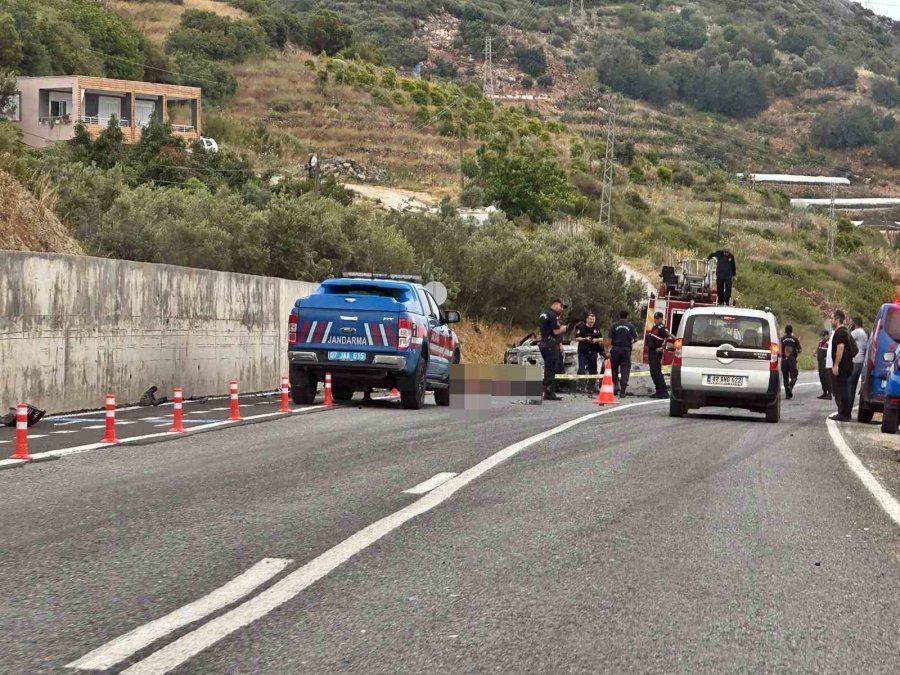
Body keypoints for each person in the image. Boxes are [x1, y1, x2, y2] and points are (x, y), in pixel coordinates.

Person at [538, 300, 567, 401]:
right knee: (551, 368)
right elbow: (556, 331)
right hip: (550, 344)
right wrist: (563, 329)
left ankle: (547, 390)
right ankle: (549, 392)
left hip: (544, 342)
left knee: (549, 367)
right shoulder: (553, 315)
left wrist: (559, 343)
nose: (562, 309)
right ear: (555, 305)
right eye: (561, 306)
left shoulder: (544, 314)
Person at [830, 310, 854, 421]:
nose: (831, 320)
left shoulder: (840, 333)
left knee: (842, 389)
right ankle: (844, 413)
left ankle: (844, 414)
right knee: (842, 389)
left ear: (837, 319)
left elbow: (840, 348)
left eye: (832, 318)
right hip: (846, 365)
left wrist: (836, 365)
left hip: (843, 366)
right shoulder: (844, 332)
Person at [609, 310, 639, 397]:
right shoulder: (630, 326)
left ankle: (616, 384)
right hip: (626, 350)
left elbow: (609, 339)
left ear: (619, 316)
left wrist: (607, 350)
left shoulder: (614, 325)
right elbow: (636, 338)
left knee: (613, 369)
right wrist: (630, 343)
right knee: (625, 371)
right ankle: (622, 391)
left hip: (615, 350)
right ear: (627, 317)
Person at [574, 313, 603, 394]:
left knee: (593, 370)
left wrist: (596, 340)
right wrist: (585, 339)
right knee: (581, 369)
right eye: (590, 319)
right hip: (583, 351)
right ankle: (580, 386)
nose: (592, 321)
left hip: (593, 351)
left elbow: (601, 338)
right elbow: (577, 338)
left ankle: (591, 387)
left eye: (593, 319)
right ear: (587, 319)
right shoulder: (581, 327)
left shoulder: (596, 328)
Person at [645, 311, 670, 399]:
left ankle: (663, 392)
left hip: (656, 352)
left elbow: (668, 338)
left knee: (656, 373)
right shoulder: (655, 327)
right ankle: (658, 391)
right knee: (653, 372)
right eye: (655, 318)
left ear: (661, 319)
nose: (655, 320)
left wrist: (662, 348)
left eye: (657, 318)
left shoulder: (662, 327)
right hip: (652, 351)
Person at [848, 316, 869, 407]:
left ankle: (846, 408)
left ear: (854, 323)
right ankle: (849, 406)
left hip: (856, 361)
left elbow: (846, 338)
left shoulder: (857, 332)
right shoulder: (864, 332)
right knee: (853, 384)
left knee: (848, 384)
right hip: (861, 361)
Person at [780, 325, 801, 399]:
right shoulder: (795, 339)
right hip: (792, 360)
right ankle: (790, 386)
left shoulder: (781, 339)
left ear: (785, 331)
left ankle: (787, 394)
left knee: (785, 377)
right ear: (792, 331)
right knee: (794, 376)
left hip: (784, 360)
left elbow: (779, 350)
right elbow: (799, 350)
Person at [816, 330, 832, 400]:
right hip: (820, 362)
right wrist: (815, 353)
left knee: (827, 378)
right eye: (822, 336)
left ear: (827, 336)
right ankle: (824, 392)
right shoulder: (820, 343)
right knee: (821, 377)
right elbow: (818, 349)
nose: (822, 337)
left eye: (824, 336)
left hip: (826, 362)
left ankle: (829, 393)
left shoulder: (829, 343)